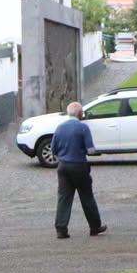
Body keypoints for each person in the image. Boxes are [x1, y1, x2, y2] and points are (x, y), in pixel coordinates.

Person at [50, 100, 104, 239]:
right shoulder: (83, 128)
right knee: (86, 196)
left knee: (64, 197)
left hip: (63, 166)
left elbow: (53, 149)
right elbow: (90, 150)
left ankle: (61, 229)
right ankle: (95, 226)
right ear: (80, 113)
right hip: (79, 165)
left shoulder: (59, 128)